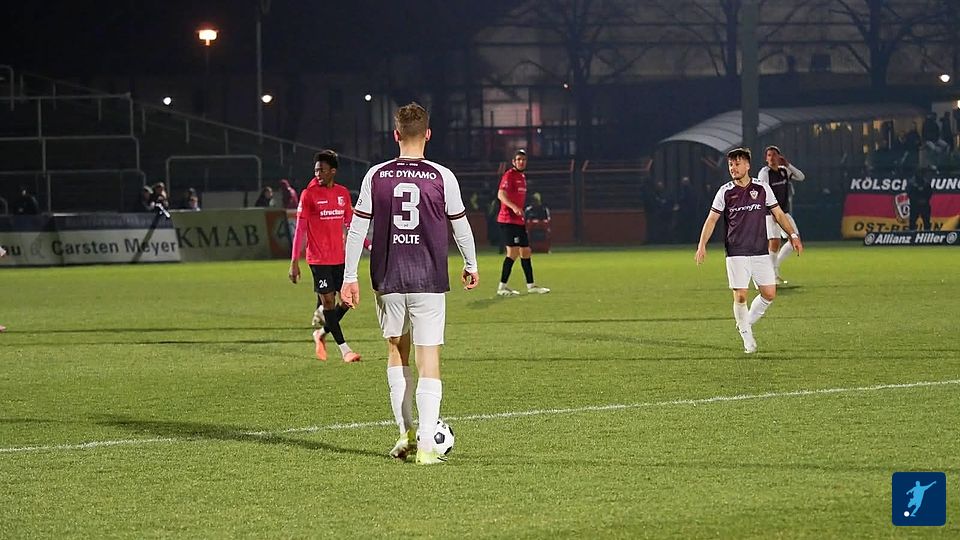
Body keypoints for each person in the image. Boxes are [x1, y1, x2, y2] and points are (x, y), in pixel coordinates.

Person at [339, 102, 479, 465]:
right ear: (428, 134)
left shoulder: (376, 175)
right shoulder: (442, 176)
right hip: (428, 278)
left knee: (396, 352)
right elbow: (460, 226)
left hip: (388, 278)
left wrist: (349, 277)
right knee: (427, 356)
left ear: (396, 134)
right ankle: (427, 447)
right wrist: (471, 263)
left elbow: (356, 229)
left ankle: (405, 435)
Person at [695, 147, 803, 354]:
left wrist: (793, 235)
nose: (733, 168)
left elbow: (779, 214)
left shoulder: (762, 188)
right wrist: (702, 245)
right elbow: (711, 219)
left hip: (760, 251)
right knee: (741, 296)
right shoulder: (725, 191)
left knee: (769, 294)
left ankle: (745, 322)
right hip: (736, 251)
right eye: (730, 165)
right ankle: (746, 335)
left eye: (737, 164)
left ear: (747, 165)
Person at [289, 149, 360, 363]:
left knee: (348, 301)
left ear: (333, 171)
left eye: (322, 170)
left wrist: (368, 244)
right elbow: (300, 230)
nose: (318, 174)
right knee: (328, 301)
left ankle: (321, 333)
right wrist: (294, 262)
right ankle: (345, 350)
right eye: (316, 170)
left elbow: (350, 224)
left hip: (340, 258)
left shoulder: (342, 193)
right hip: (318, 259)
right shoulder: (308, 195)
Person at [495, 149, 550, 296]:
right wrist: (513, 207)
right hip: (508, 220)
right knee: (513, 252)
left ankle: (531, 286)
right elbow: (501, 194)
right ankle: (501, 288)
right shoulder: (509, 175)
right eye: (518, 159)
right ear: (513, 162)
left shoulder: (522, 177)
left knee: (526, 252)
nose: (521, 162)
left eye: (523, 160)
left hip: (518, 221)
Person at [757, 146, 805, 284]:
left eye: (774, 155)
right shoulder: (765, 173)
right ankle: (771, 275)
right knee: (774, 242)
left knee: (794, 240)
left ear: (779, 157)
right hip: (770, 213)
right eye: (769, 155)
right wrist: (771, 210)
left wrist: (788, 164)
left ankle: (774, 267)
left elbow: (801, 177)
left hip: (784, 212)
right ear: (766, 158)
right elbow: (763, 193)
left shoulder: (784, 171)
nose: (772, 157)